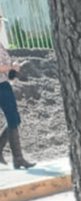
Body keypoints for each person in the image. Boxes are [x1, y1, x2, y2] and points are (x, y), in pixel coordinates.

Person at [0, 30, 36, 169]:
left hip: (4, 84)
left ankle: (16, 157)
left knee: (13, 118)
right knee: (13, 118)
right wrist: (11, 66)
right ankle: (18, 158)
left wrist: (13, 68)